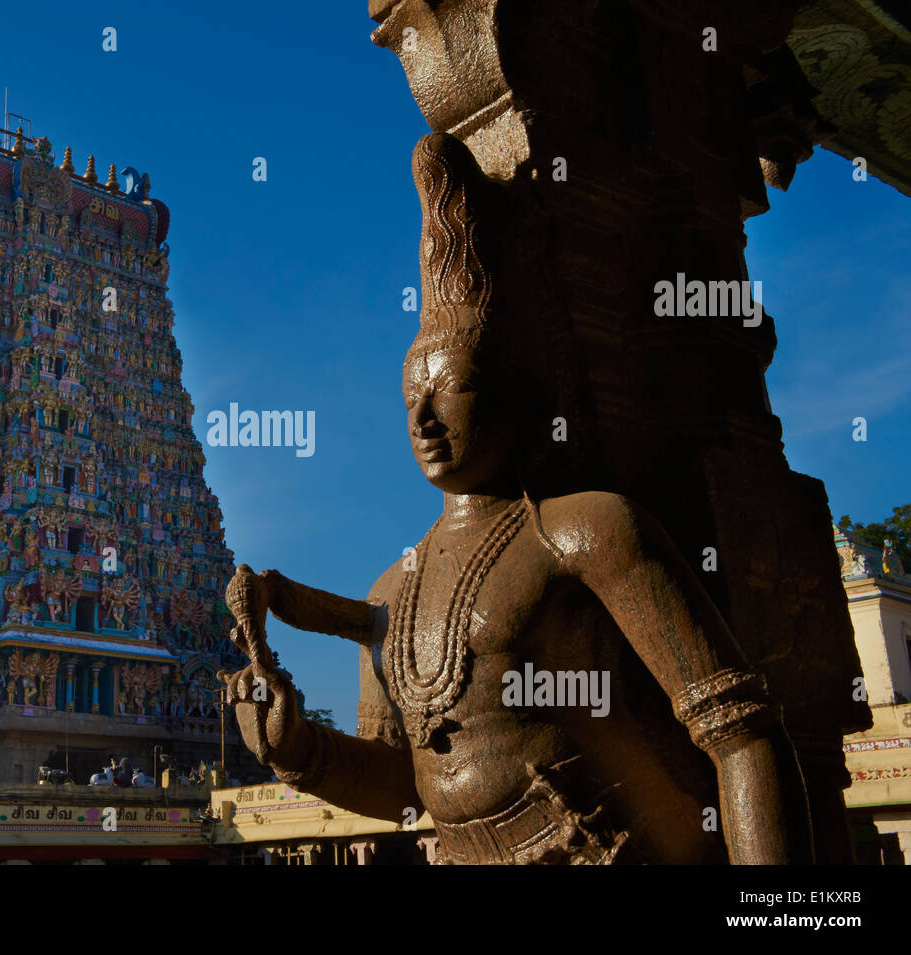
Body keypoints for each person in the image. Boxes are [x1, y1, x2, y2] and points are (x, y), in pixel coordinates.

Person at [218, 133, 812, 866]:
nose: (424, 420)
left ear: (519, 396)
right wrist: (298, 751)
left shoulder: (583, 530)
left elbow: (741, 732)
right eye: (411, 400)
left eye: (452, 390)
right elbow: (408, 788)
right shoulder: (392, 591)